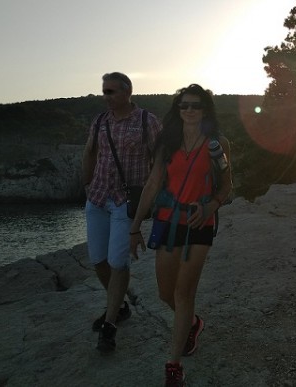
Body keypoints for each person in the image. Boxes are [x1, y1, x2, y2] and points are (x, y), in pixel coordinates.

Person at [129, 84, 233, 387]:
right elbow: (151, 185)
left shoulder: (217, 143)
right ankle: (192, 323)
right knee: (165, 293)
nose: (189, 110)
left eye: (196, 106)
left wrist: (211, 205)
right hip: (167, 220)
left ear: (205, 110)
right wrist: (135, 227)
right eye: (184, 105)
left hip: (200, 221)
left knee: (183, 292)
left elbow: (226, 186)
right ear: (178, 109)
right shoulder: (168, 142)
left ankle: (172, 365)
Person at [81, 72, 162, 354]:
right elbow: (90, 152)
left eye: (111, 91)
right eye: (104, 91)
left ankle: (111, 323)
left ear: (128, 92)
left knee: (118, 262)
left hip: (126, 202)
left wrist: (154, 198)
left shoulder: (146, 121)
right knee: (98, 260)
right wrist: (86, 184)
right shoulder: (100, 121)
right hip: (98, 197)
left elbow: (160, 160)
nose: (106, 97)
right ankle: (122, 306)